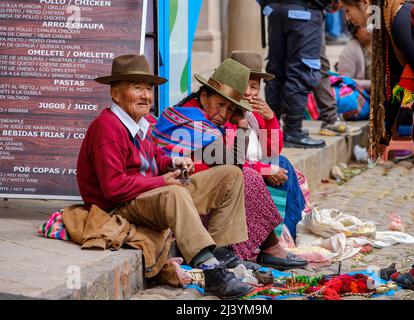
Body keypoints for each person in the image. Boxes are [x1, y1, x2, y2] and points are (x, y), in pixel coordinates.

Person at [76, 54, 255, 299]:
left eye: (148, 89)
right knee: (174, 191)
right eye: (136, 88)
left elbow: (155, 159)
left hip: (149, 196)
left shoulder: (140, 124)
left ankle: (218, 252)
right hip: (120, 206)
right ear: (116, 94)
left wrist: (173, 162)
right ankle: (212, 273)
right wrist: (163, 181)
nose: (145, 95)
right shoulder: (107, 128)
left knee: (230, 175)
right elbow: (113, 188)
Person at [152, 58, 308, 270]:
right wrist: (242, 124)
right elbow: (232, 160)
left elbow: (265, 154)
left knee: (279, 166)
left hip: (201, 191)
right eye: (220, 105)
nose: (223, 114)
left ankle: (277, 243)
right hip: (179, 196)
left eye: (229, 108)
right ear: (204, 94)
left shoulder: (211, 120)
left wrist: (269, 119)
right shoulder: (190, 119)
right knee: (247, 177)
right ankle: (269, 248)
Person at [340, 0, 414, 289]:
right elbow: (392, 78)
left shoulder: (400, 18)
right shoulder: (389, 20)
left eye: (346, 9)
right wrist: (384, 132)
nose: (348, 18)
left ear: (365, 3)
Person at [228, 50, 308, 241]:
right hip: (238, 175)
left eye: (254, 87)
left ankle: (291, 229)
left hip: (255, 167)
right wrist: (264, 170)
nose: (248, 92)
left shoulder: (253, 115)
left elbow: (271, 151)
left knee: (282, 163)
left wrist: (271, 119)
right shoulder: (227, 115)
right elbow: (230, 158)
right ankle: (286, 234)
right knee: (279, 166)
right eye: (243, 85)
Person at [261, 0, 336, 148]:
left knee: (276, 70)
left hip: (275, 10)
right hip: (304, 12)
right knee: (302, 72)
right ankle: (292, 131)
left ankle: (271, 131)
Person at [337, 24, 372, 92]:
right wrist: (372, 84)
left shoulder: (380, 43)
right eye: (364, 26)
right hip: (363, 96)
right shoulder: (350, 50)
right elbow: (345, 80)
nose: (369, 28)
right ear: (355, 33)